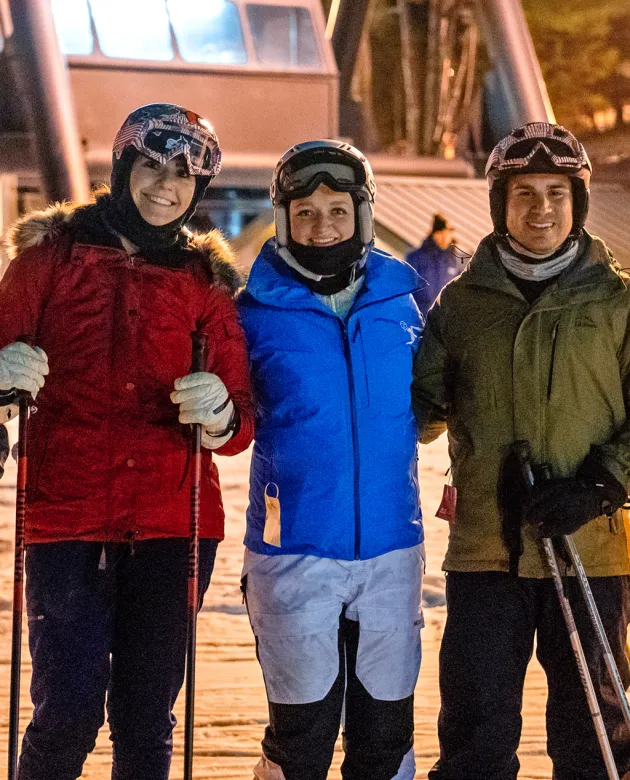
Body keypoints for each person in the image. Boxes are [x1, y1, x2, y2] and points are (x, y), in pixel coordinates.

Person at [0, 103, 254, 780]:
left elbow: (240, 425)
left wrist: (221, 414)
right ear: (122, 166)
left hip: (174, 526)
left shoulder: (205, 285)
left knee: (147, 715)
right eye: (152, 165)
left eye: (183, 175)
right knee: (69, 709)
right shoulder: (48, 261)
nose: (165, 186)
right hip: (67, 520)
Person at [411, 122, 630, 780]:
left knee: (593, 732)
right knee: (476, 732)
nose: (541, 209)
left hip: (592, 548)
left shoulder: (618, 302)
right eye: (524, 193)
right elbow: (418, 409)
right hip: (487, 553)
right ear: (500, 203)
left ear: (578, 202)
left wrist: (600, 487)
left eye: (557, 193)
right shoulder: (462, 304)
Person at [238, 140, 424, 780]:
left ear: (363, 214)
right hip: (294, 548)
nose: (322, 225)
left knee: (385, 734)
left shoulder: (401, 303)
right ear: (284, 218)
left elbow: (437, 402)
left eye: (337, 210)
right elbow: (230, 418)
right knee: (301, 735)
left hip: (391, 550)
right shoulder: (252, 311)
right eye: (306, 211)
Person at [405, 213, 458, 316]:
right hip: (419, 318)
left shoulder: (456, 261)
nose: (446, 237)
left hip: (443, 321)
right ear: (435, 234)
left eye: (448, 233)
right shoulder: (416, 258)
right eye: (442, 232)